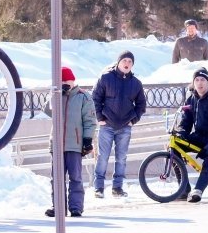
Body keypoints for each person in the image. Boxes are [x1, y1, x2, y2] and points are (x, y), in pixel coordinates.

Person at [91, 51, 147, 199]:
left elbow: (141, 105)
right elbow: (95, 98)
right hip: (106, 125)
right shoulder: (105, 78)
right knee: (103, 157)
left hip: (125, 127)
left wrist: (133, 120)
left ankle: (117, 187)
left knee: (121, 158)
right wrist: (100, 117)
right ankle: (99, 188)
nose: (127, 63)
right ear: (118, 62)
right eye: (125, 60)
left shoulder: (136, 83)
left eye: (130, 61)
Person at [43, 67, 95, 218]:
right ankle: (58, 206)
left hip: (75, 144)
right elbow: (47, 110)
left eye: (67, 80)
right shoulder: (57, 97)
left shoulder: (83, 96)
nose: (65, 83)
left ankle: (76, 207)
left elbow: (90, 121)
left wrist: (87, 140)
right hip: (57, 145)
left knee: (75, 177)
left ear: (73, 80)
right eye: (61, 81)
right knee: (57, 179)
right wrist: (55, 94)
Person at [174, 67, 208, 202]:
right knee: (173, 147)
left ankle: (198, 191)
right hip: (198, 137)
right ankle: (184, 189)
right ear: (193, 82)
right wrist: (180, 134)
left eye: (203, 79)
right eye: (197, 80)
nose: (200, 83)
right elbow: (186, 122)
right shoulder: (191, 99)